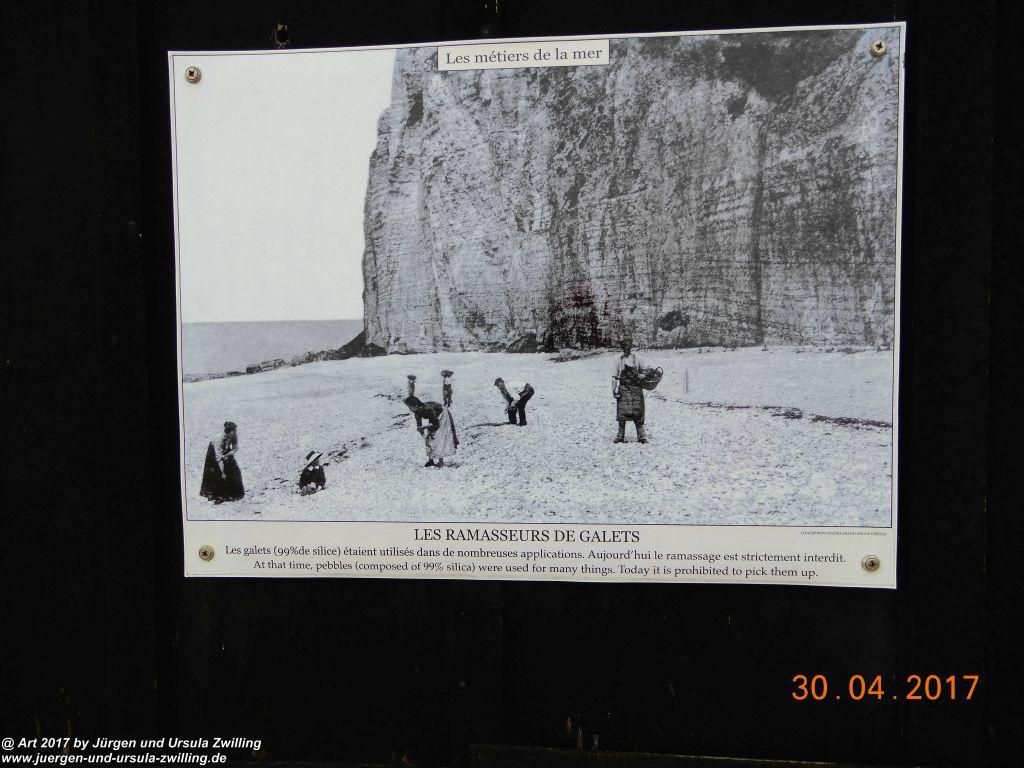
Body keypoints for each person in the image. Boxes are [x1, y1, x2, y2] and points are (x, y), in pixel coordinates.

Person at [612, 337, 648, 443]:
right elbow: (614, 376)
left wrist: (643, 375)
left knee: (639, 413)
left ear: (631, 347)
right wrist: (613, 390)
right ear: (622, 347)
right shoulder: (618, 359)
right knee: (622, 414)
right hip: (623, 389)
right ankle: (620, 436)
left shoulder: (638, 358)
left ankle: (642, 437)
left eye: (628, 346)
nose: (627, 348)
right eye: (625, 346)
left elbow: (646, 371)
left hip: (636, 389)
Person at [200, 421, 245, 502]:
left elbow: (235, 448)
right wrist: (223, 472)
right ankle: (217, 494)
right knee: (216, 472)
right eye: (234, 431)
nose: (235, 433)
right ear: (229, 432)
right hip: (215, 452)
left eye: (235, 431)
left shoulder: (234, 435)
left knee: (235, 470)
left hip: (227, 451)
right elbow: (219, 458)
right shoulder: (219, 438)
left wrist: (228, 455)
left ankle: (234, 493)